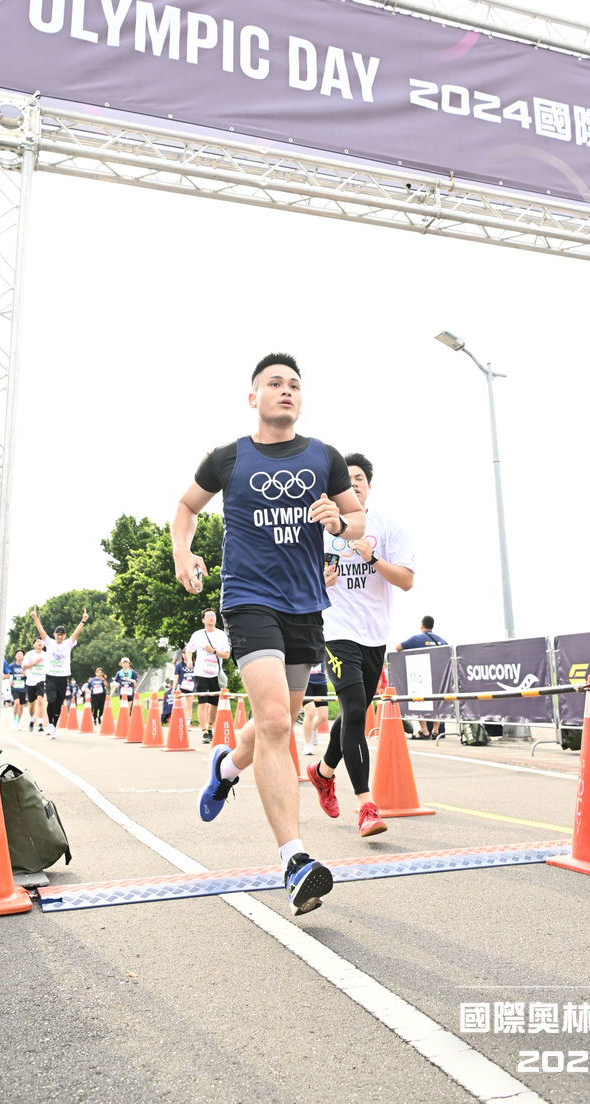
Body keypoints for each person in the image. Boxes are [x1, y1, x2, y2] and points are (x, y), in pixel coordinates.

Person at [171, 352, 363, 916]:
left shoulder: (324, 457)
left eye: (294, 385)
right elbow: (186, 507)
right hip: (249, 600)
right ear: (253, 397)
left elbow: (357, 520)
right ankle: (294, 860)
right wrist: (183, 551)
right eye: (274, 383)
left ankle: (227, 767)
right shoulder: (229, 457)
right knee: (277, 721)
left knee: (281, 718)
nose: (286, 390)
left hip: (305, 605)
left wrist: (340, 523)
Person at [307, 453, 415, 836]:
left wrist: (374, 559)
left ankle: (323, 772)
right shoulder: (318, 531)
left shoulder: (386, 527)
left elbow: (406, 581)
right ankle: (366, 806)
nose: (352, 484)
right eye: (345, 480)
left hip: (375, 636)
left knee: (354, 714)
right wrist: (319, 580)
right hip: (336, 632)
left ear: (368, 486)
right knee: (353, 709)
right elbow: (296, 583)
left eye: (359, 479)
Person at [31, 606, 89, 740]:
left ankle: (53, 725)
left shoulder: (68, 643)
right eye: (58, 634)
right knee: (51, 699)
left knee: (59, 703)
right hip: (51, 676)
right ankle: (50, 724)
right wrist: (35, 617)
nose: (60, 636)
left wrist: (83, 621)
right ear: (54, 634)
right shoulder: (49, 643)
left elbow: (76, 633)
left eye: (62, 634)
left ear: (64, 636)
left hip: (63, 677)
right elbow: (41, 630)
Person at [396, 614, 448, 739]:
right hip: (438, 676)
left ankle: (424, 731)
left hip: (421, 676)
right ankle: (436, 731)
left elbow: (398, 647)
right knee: (437, 702)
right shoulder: (441, 640)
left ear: (422, 625)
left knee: (420, 701)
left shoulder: (416, 639)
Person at [184, 608, 231, 744]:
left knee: (214, 703)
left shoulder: (221, 635)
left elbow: (226, 655)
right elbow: (188, 650)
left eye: (213, 615)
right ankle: (204, 731)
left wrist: (213, 651)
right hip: (201, 673)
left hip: (215, 673)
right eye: (208, 616)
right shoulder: (197, 634)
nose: (211, 617)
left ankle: (210, 726)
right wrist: (189, 660)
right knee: (202, 701)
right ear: (203, 620)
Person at [301, 663, 329, 755]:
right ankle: (307, 744)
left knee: (323, 717)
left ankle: (312, 729)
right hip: (305, 682)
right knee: (310, 712)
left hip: (321, 682)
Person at [21, 637, 47, 732]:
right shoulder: (29, 654)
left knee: (40, 701)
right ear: (34, 644)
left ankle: (40, 723)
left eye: (41, 642)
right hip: (31, 681)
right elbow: (24, 667)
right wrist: (35, 663)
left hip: (41, 680)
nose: (39, 643)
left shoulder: (46, 655)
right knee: (32, 704)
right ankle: (32, 720)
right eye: (37, 642)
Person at [172, 651, 196, 727]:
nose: (185, 655)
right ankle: (185, 721)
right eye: (184, 654)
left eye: (187, 654)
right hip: (182, 687)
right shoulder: (179, 665)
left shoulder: (195, 664)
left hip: (191, 687)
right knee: (184, 705)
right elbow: (176, 677)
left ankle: (188, 722)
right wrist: (173, 688)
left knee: (189, 706)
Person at [9, 650, 28, 729]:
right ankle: (14, 719)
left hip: (23, 688)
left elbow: (30, 675)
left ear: (23, 656)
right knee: (16, 702)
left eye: (21, 654)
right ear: (15, 656)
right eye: (18, 654)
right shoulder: (12, 666)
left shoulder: (26, 666)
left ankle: (18, 722)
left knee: (21, 705)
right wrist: (9, 681)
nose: (19, 655)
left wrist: (26, 674)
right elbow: (9, 675)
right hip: (15, 687)